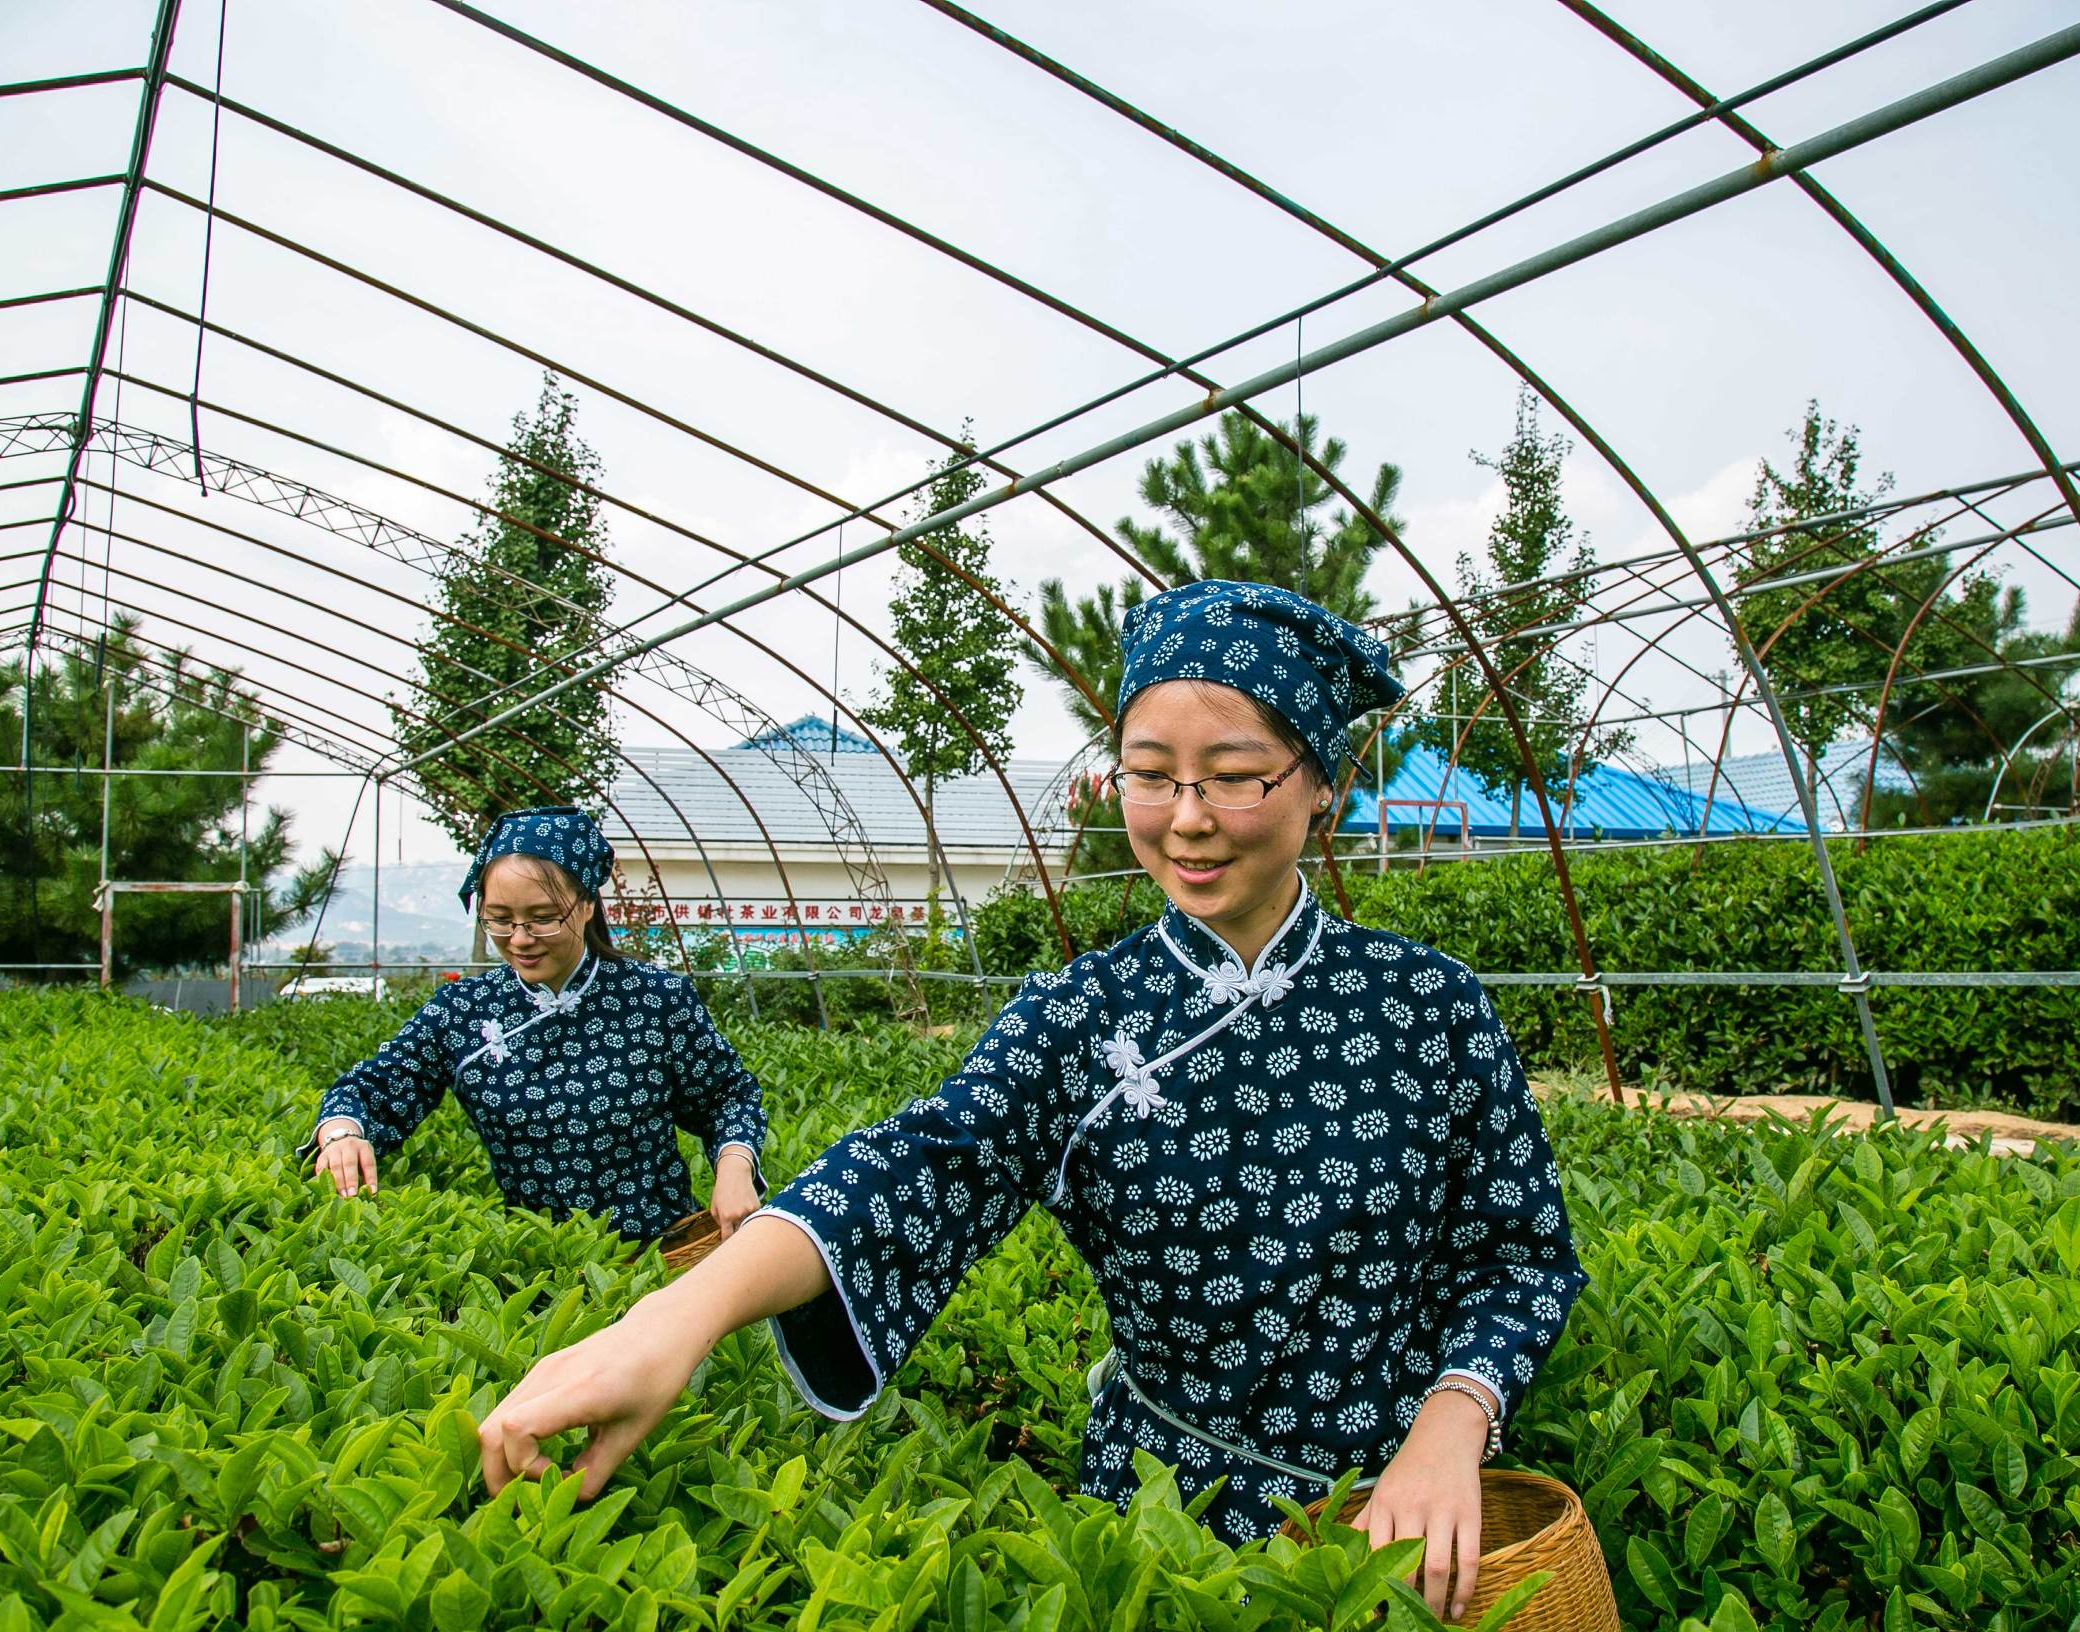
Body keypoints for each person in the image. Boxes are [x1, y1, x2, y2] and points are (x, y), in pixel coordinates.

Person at [475, 584, 1586, 1618]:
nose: (1185, 816)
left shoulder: (1427, 1004)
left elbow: (1521, 1253)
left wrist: (1450, 1425)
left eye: (1233, 774)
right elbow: (917, 1166)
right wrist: (674, 1320)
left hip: (1409, 1520)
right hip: (1163, 1525)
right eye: (1149, 773)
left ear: (1320, 787)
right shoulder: (1079, 1016)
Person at [301, 805, 766, 1243]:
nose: (520, 940)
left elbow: (728, 1095)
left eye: (543, 919)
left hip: (663, 1252)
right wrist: (344, 1132)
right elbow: (375, 1087)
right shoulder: (464, 1010)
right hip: (536, 1259)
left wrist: (734, 1166)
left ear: (585, 905)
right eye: (499, 920)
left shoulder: (654, 997)